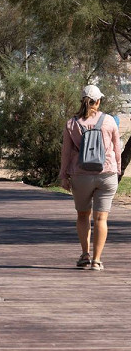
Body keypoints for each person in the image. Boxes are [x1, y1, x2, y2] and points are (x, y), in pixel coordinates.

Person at [59, 85, 121, 271]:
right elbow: (117, 149)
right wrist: (117, 171)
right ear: (99, 101)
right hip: (106, 173)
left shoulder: (72, 123)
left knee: (82, 215)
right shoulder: (109, 121)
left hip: (81, 175)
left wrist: (63, 175)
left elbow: (66, 152)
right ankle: (97, 260)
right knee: (101, 218)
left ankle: (85, 254)